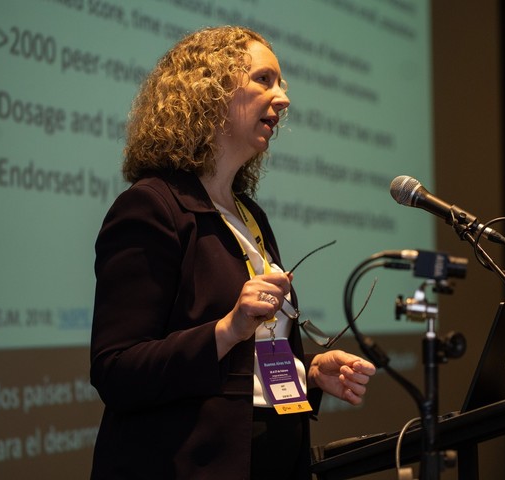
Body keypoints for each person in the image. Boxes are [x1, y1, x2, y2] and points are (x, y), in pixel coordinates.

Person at [89, 26, 376, 480]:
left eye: (281, 84)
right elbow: (117, 371)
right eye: (264, 79)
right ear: (209, 92)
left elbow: (251, 369)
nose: (282, 99)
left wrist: (310, 373)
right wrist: (228, 328)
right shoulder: (153, 207)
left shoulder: (249, 215)